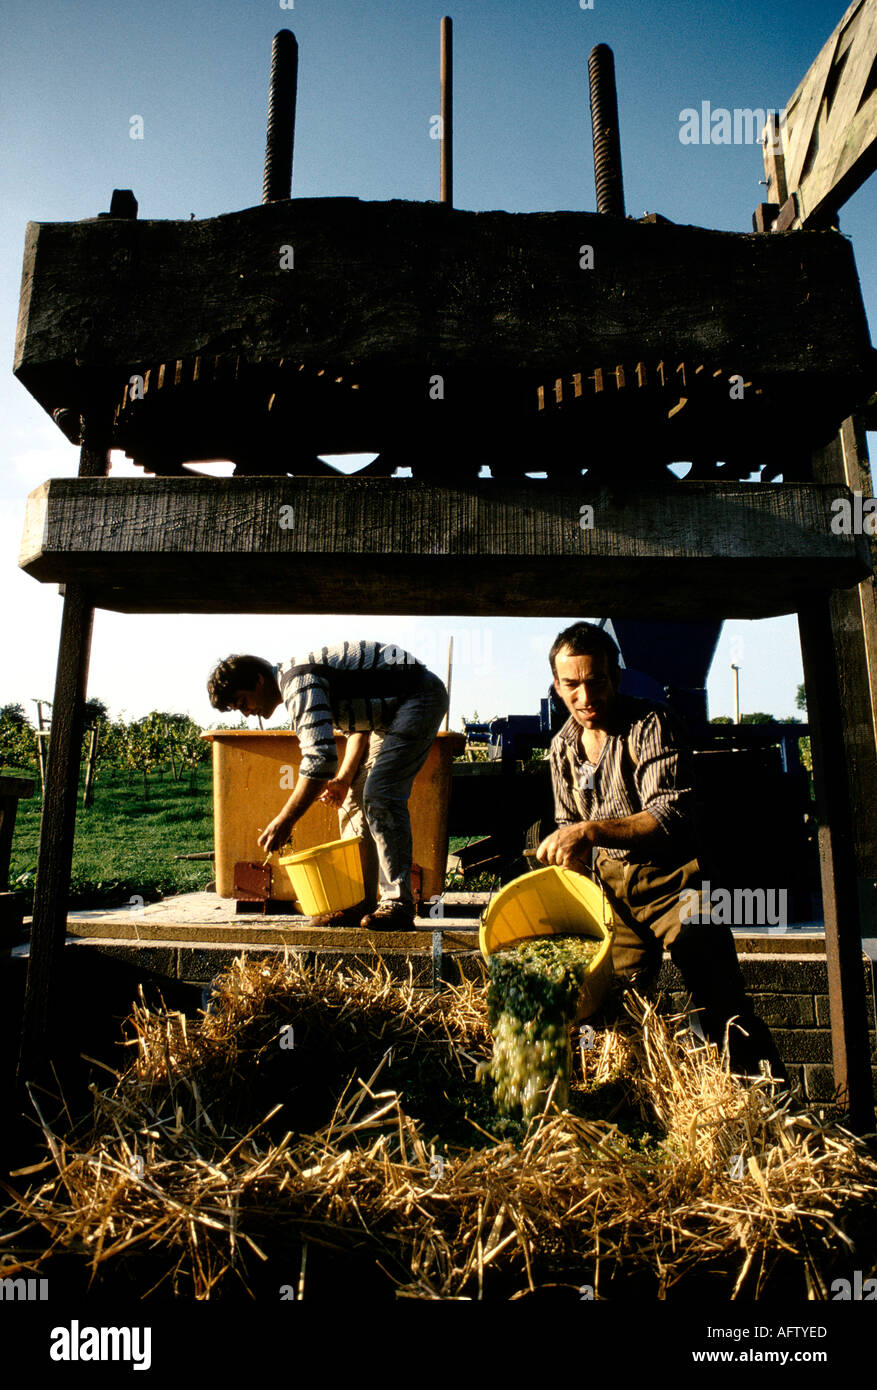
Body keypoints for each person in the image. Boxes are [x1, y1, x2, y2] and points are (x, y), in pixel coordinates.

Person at [536, 620, 787, 1085]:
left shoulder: (650, 724)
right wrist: (570, 864)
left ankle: (769, 1109)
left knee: (720, 998)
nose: (585, 697)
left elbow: (669, 814)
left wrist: (588, 831)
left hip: (676, 880)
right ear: (557, 684)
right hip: (611, 888)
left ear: (616, 677)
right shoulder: (561, 748)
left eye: (597, 681)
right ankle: (630, 1104)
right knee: (616, 1005)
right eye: (572, 685)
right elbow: (567, 827)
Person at [207, 641, 449, 929]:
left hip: (418, 696)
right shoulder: (301, 681)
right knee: (355, 800)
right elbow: (358, 728)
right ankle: (358, 902)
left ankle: (397, 904)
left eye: (243, 702)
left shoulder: (298, 684)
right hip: (388, 712)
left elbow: (319, 761)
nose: (248, 713)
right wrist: (344, 781)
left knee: (380, 794)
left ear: (258, 681)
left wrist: (286, 821)